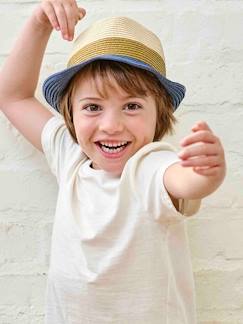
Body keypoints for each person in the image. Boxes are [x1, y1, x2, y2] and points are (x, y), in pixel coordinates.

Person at [0, 1, 226, 323]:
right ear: (71, 115)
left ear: (158, 114)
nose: (111, 125)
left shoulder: (150, 165)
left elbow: (184, 181)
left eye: (131, 106)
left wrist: (205, 172)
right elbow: (13, 96)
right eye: (92, 107)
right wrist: (39, 23)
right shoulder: (71, 155)